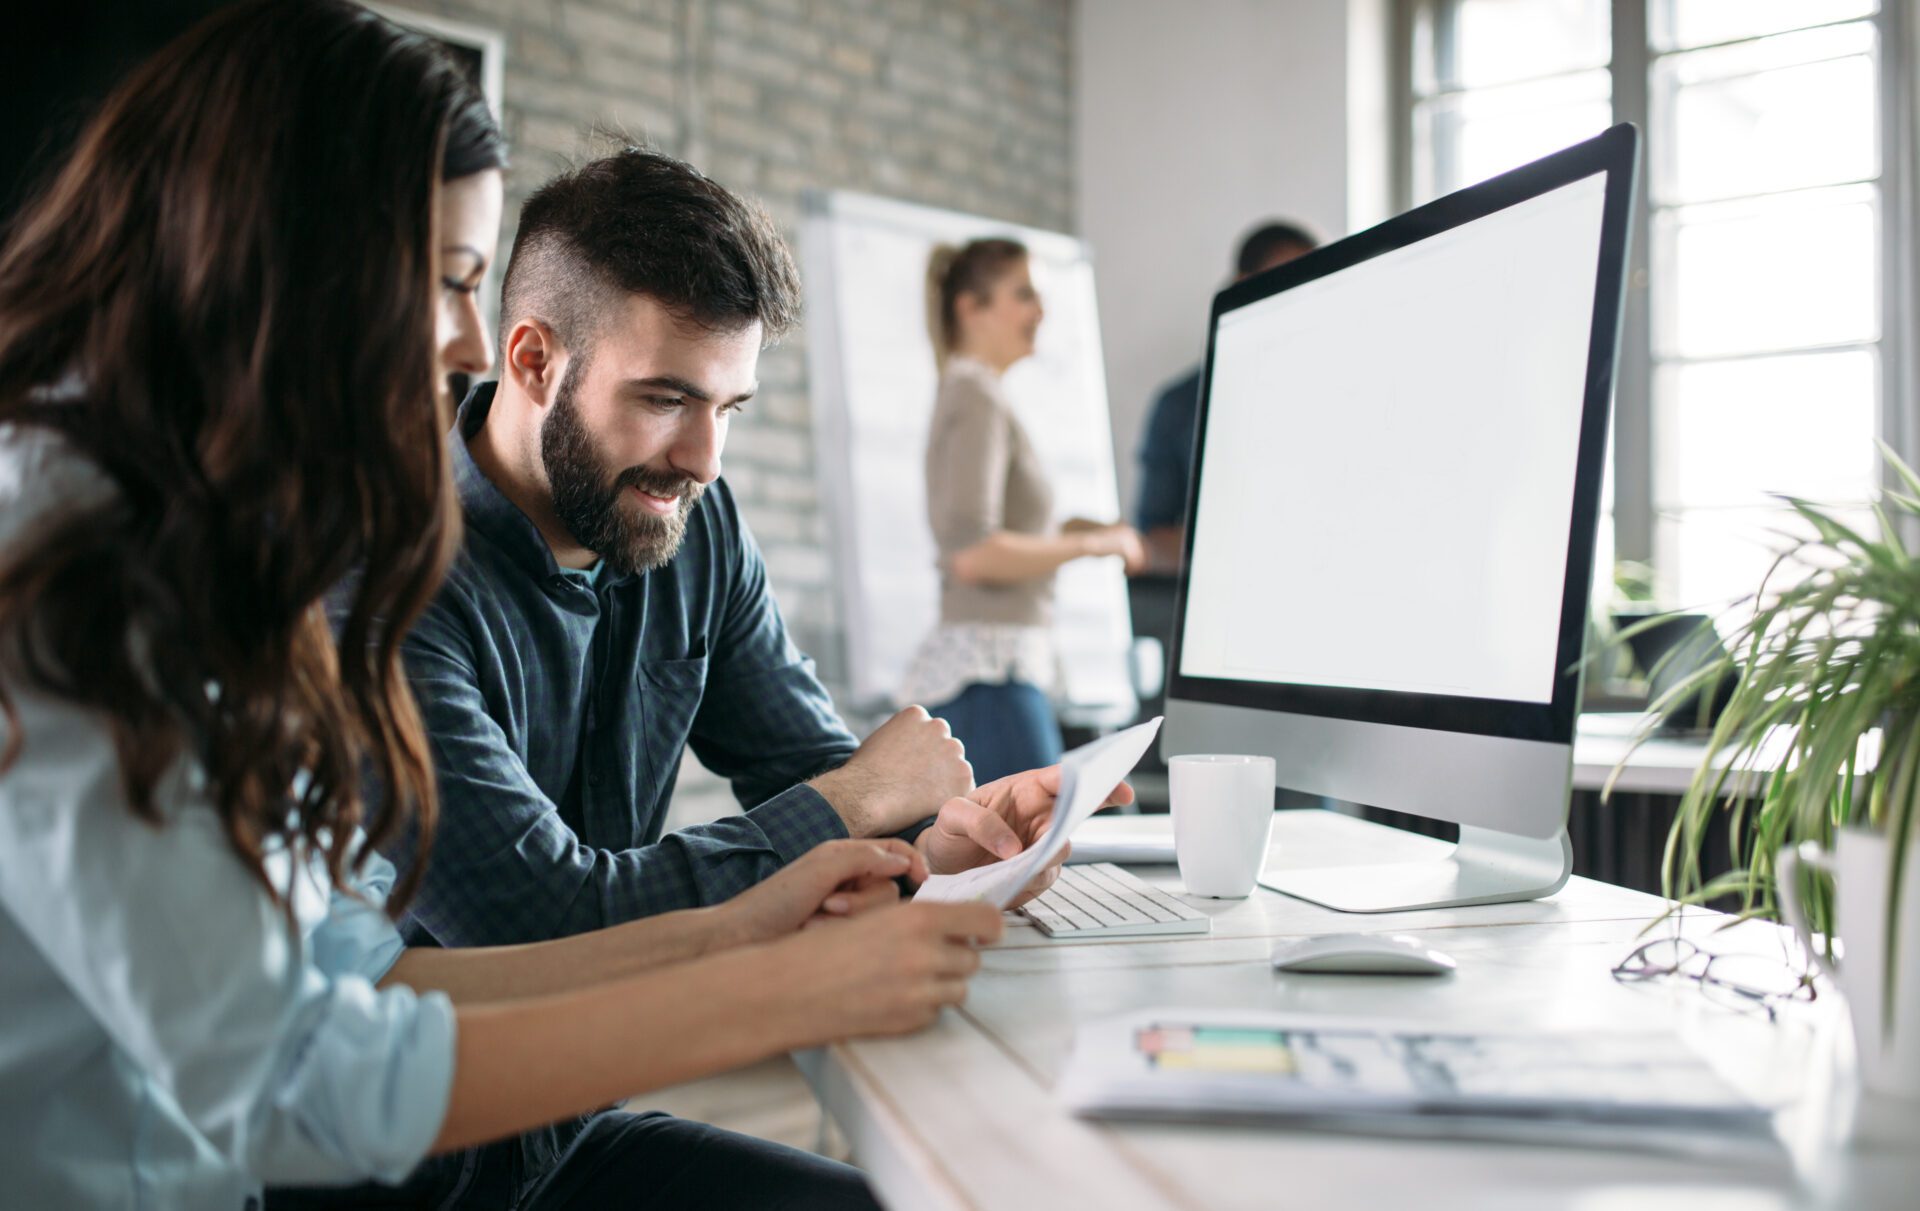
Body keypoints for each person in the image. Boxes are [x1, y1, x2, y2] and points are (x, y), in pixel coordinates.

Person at [0, 5, 1001, 1208]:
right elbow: (294, 1077)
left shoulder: (198, 535)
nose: (466, 335)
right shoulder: (78, 568)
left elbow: (353, 975)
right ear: (291, 261)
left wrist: (762, 915)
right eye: (445, 278)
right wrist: (778, 981)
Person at [360, 149, 1131, 1199]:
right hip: (406, 1170)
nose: (704, 459)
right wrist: (855, 799)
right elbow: (539, 915)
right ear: (533, 359)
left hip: (571, 1141)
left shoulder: (694, 524)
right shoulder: (385, 583)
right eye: (667, 397)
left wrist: (944, 842)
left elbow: (809, 769)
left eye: (730, 406)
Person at [901, 239, 1146, 782]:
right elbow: (973, 553)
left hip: (998, 677)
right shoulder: (976, 397)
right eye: (1024, 294)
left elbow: (1012, 530)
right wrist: (1090, 545)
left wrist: (1090, 530)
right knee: (1038, 856)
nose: (1041, 312)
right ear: (972, 307)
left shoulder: (974, 394)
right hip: (990, 683)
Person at [1134, 220, 1320, 574]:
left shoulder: (1326, 393)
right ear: (1243, 285)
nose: (1303, 295)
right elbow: (1151, 537)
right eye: (1292, 279)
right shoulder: (1181, 405)